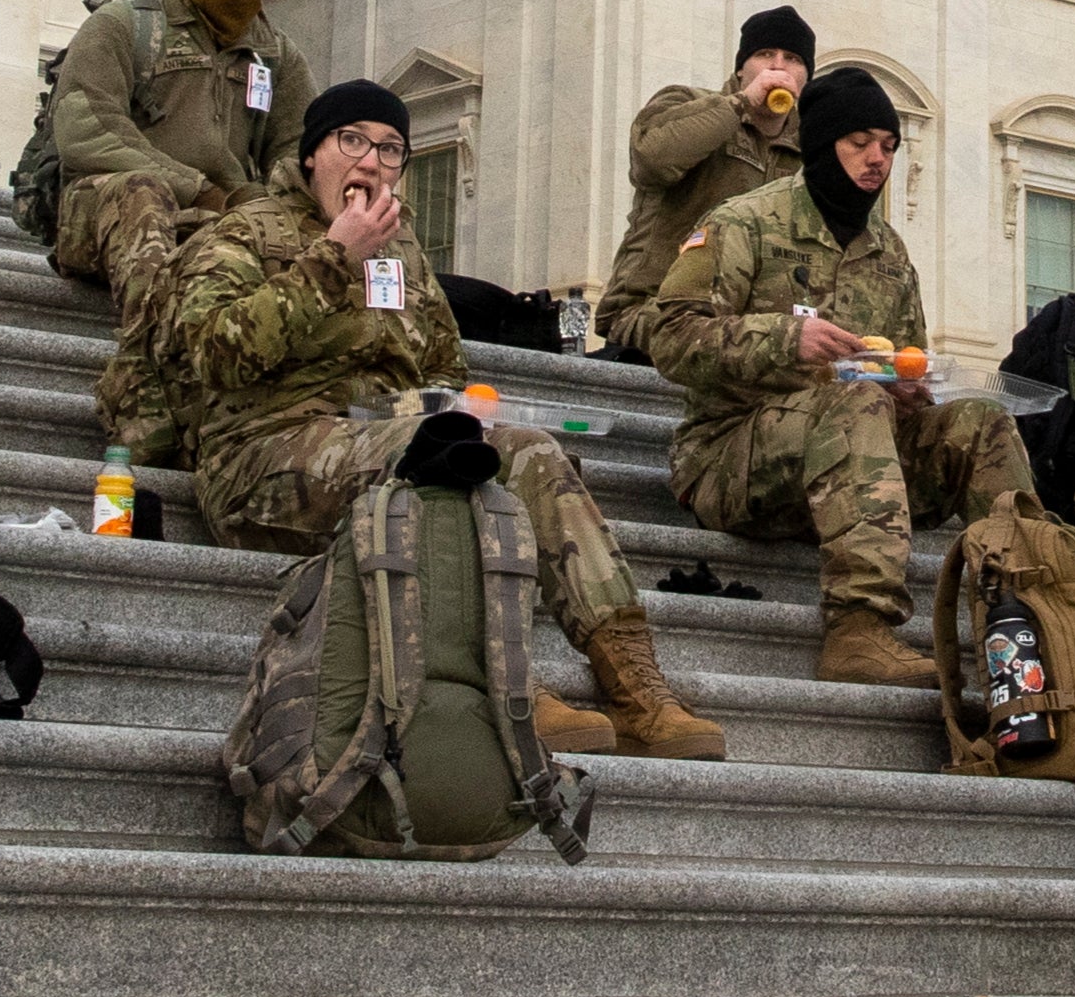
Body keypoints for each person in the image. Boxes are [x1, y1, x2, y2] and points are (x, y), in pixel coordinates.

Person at [148, 82, 722, 760]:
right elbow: (215, 353)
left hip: (384, 441)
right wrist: (333, 257)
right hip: (264, 458)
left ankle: (636, 686)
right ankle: (502, 683)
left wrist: (466, 409)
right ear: (312, 156)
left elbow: (441, 367)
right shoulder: (242, 233)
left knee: (528, 453)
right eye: (351, 141)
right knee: (439, 463)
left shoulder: (404, 252)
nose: (370, 163)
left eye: (390, 150)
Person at [644, 64, 1034, 685]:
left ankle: (1028, 619)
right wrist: (784, 339)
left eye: (888, 145)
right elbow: (668, 335)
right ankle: (860, 630)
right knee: (856, 403)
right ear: (822, 145)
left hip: (849, 468)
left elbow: (905, 362)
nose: (877, 159)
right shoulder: (744, 222)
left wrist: (910, 389)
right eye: (859, 143)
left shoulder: (889, 251)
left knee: (981, 422)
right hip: (730, 457)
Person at [43, 0, 303, 290]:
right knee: (142, 192)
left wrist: (270, 204)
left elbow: (297, 145)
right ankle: (150, 342)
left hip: (225, 217)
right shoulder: (122, 25)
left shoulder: (274, 52)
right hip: (114, 210)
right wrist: (195, 189)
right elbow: (89, 129)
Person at [598, 10, 811, 367]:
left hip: (753, 326)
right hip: (654, 308)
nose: (778, 67)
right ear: (741, 68)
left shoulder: (811, 147)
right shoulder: (685, 102)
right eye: (765, 55)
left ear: (806, 77)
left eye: (792, 59)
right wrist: (742, 102)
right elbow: (652, 158)